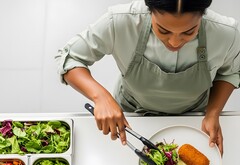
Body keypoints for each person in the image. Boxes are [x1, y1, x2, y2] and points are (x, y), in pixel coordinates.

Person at [55, 0, 240, 155]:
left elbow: (231, 71)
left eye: (189, 32)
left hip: (195, 117)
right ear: (149, 10)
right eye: (163, 30)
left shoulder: (226, 33)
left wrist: (213, 112)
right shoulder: (120, 22)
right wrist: (100, 97)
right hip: (130, 116)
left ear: (203, 14)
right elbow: (70, 58)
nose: (175, 42)